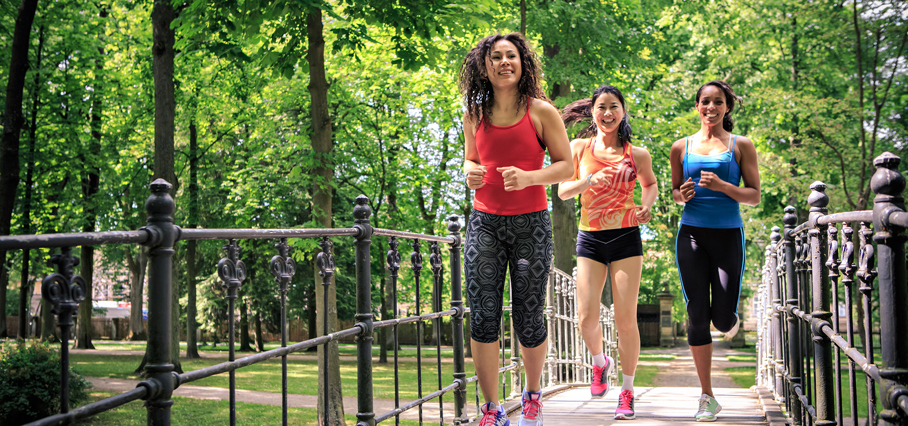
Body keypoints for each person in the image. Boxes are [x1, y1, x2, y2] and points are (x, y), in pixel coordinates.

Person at [459, 32, 573, 426]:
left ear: (522, 63)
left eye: (511, 56)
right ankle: (491, 408)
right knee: (483, 314)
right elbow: (470, 161)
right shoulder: (473, 114)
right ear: (484, 66)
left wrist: (530, 178)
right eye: (496, 57)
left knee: (529, 315)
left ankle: (532, 395)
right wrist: (470, 172)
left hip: (531, 226)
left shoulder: (541, 111)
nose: (504, 62)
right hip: (484, 223)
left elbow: (566, 166)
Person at [557, 85, 657, 421]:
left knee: (625, 318)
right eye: (602, 107)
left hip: (626, 237)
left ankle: (627, 392)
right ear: (593, 112)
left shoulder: (637, 154)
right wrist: (587, 182)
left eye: (614, 107)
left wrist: (645, 207)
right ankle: (601, 364)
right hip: (590, 238)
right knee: (586, 317)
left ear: (623, 112)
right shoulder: (579, 148)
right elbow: (562, 191)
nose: (608, 113)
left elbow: (650, 184)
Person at [670, 80, 760, 422]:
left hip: (727, 236)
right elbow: (676, 193)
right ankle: (707, 396)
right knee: (696, 313)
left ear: (727, 107)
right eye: (705, 102)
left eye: (718, 102)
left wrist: (723, 186)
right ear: (697, 106)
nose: (711, 107)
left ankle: (728, 319)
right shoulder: (681, 147)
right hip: (691, 235)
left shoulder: (741, 145)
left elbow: (754, 195)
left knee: (721, 320)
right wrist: (684, 194)